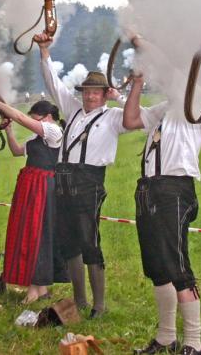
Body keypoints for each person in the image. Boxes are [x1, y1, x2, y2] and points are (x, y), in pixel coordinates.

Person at [37, 32, 130, 319]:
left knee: (90, 242)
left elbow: (141, 117)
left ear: (104, 95)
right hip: (63, 180)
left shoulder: (114, 117)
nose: (89, 96)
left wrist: (120, 98)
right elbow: (54, 84)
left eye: (96, 92)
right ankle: (80, 300)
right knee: (69, 243)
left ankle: (99, 306)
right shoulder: (73, 110)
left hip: (89, 182)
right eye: (86, 91)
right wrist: (44, 53)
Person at [123, 66, 201, 354]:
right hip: (149, 188)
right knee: (157, 267)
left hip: (174, 189)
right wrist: (137, 83)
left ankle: (194, 343)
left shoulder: (194, 102)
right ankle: (166, 337)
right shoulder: (164, 108)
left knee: (177, 267)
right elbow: (131, 118)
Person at [0, 97, 69, 304]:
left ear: (48, 117)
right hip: (31, 187)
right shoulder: (37, 136)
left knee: (37, 234)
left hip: (43, 187)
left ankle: (35, 288)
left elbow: (20, 117)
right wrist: (8, 130)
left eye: (37, 119)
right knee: (28, 232)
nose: (35, 123)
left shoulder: (54, 131)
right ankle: (40, 288)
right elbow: (16, 151)